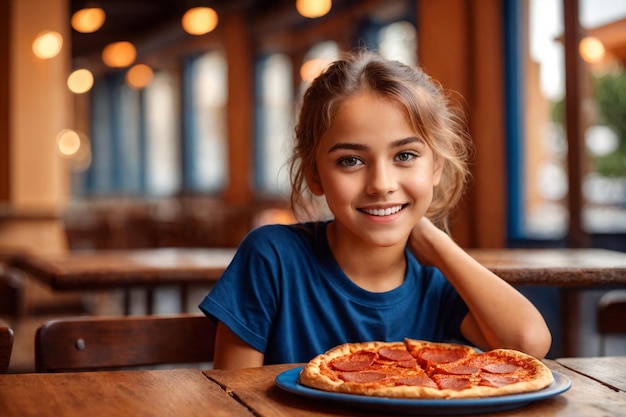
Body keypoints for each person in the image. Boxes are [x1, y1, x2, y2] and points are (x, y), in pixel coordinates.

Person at [199, 50, 552, 369]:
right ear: (314, 174)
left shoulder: (438, 280)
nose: (381, 183)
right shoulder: (272, 257)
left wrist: (436, 241)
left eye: (405, 156)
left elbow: (528, 343)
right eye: (350, 160)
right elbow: (233, 396)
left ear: (436, 168)